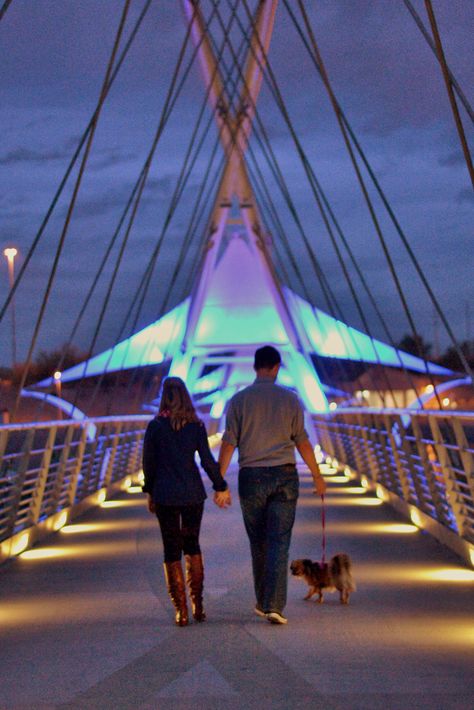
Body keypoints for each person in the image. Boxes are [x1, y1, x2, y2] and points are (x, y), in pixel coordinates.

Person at [217, 345, 326, 625]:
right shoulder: (290, 400)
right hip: (284, 476)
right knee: (279, 542)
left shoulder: (238, 401)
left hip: (251, 477)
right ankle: (274, 606)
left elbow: (229, 442)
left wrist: (220, 483)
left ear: (255, 367)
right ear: (277, 367)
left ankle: (263, 602)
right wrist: (317, 475)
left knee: (259, 543)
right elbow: (302, 440)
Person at [142, 377, 229, 627]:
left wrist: (150, 491)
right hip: (192, 494)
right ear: (186, 396)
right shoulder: (196, 426)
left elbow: (149, 464)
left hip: (165, 495)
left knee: (171, 548)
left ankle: (181, 611)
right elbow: (206, 459)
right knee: (192, 544)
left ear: (164, 397)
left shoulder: (155, 427)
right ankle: (198, 606)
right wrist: (220, 485)